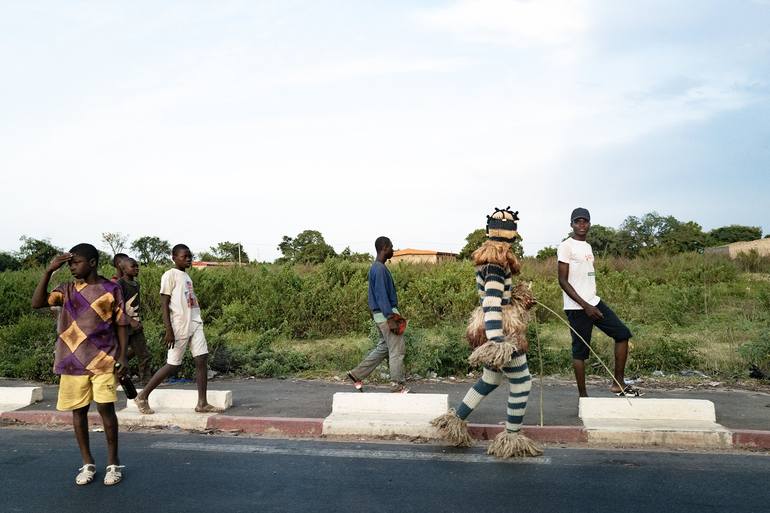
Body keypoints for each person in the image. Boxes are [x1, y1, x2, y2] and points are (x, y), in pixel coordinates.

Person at [432, 208, 542, 457]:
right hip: (501, 330)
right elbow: (492, 303)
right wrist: (497, 342)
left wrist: (518, 298)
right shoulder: (495, 265)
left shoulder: (491, 261)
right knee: (522, 382)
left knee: (490, 380)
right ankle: (511, 438)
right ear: (512, 238)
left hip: (496, 326)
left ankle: (455, 422)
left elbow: (497, 297)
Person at [31, 243, 129, 486]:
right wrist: (48, 271)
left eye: (76, 262)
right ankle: (88, 463)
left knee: (107, 411)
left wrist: (124, 357)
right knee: (79, 413)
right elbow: (37, 303)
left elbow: (121, 324)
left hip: (104, 360)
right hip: (72, 361)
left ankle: (113, 463)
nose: (72, 267)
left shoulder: (110, 288)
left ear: (92, 263)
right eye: (70, 264)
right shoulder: (66, 289)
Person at [557, 207, 636, 397]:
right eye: (578, 221)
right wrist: (586, 306)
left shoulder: (588, 246)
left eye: (585, 221)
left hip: (594, 302)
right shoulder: (566, 246)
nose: (581, 225)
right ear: (571, 224)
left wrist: (592, 304)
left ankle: (618, 383)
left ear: (589, 224)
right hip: (577, 307)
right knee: (580, 352)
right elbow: (562, 281)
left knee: (622, 334)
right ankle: (583, 396)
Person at [134, 244, 221, 414]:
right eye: (184, 256)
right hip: (179, 324)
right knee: (173, 364)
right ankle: (143, 396)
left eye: (190, 256)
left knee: (201, 358)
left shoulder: (187, 277)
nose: (188, 259)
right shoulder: (170, 275)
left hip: (195, 322)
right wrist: (169, 330)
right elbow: (164, 304)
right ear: (173, 257)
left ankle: (202, 403)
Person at [347, 236, 409, 393]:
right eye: (392, 247)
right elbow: (381, 295)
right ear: (384, 248)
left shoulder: (375, 268)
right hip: (387, 316)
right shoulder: (380, 269)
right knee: (397, 350)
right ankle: (397, 385)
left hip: (379, 316)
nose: (393, 250)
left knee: (383, 348)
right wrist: (390, 317)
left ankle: (356, 374)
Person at [118, 257, 151, 384]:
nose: (136, 268)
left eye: (137, 266)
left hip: (136, 325)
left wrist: (137, 321)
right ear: (124, 269)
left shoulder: (136, 284)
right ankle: (120, 378)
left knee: (144, 354)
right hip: (124, 326)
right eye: (133, 266)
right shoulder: (120, 284)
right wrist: (130, 321)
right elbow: (117, 307)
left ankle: (146, 380)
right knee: (122, 354)